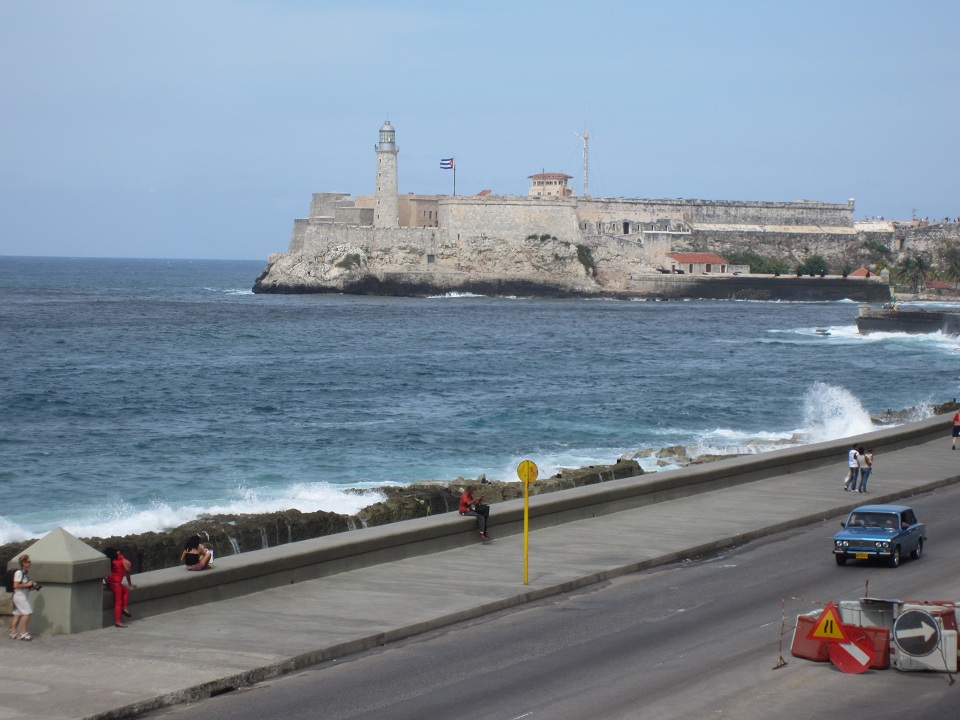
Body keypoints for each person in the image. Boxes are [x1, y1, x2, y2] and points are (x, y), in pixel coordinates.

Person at [104, 547, 136, 628]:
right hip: (116, 585)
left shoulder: (110, 562)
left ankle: (125, 608)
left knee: (125, 591)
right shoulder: (121, 561)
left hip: (110, 583)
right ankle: (118, 621)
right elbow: (128, 570)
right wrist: (130, 583)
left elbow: (103, 574)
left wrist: (106, 581)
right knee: (118, 602)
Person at [9, 555, 37, 640]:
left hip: (23, 594)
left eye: (30, 561)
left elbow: (22, 585)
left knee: (17, 614)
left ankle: (13, 632)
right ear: (23, 563)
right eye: (28, 562)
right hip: (19, 596)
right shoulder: (19, 573)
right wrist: (27, 584)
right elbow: (15, 585)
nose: (30, 563)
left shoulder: (25, 573)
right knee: (28, 612)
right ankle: (23, 632)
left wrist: (31, 587)